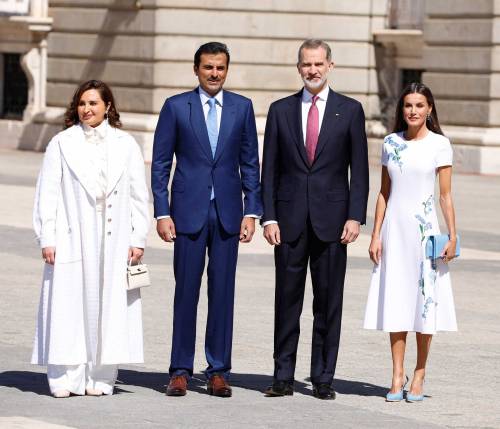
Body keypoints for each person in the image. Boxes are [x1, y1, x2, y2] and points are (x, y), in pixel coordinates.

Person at [151, 42, 262, 398]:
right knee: (186, 291)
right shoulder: (175, 107)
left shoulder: (241, 108)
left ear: (227, 70)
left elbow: (250, 163)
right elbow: (160, 164)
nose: (214, 73)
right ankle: (180, 370)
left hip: (228, 213)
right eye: (208, 67)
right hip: (187, 212)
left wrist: (252, 211)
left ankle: (218, 370)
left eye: (220, 68)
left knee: (222, 293)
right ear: (196, 69)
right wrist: (162, 211)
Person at [261, 39, 369, 400]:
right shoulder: (280, 110)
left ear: (330, 66)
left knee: (328, 302)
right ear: (298, 68)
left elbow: (361, 170)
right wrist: (269, 217)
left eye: (318, 64)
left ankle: (323, 377)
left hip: (333, 222)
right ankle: (283, 375)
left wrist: (355, 216)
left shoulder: (350, 110)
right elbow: (269, 171)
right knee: (286, 301)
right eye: (306, 64)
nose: (312, 70)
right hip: (289, 222)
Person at [32, 80, 150, 398]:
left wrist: (138, 237)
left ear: (108, 106)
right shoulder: (61, 143)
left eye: (94, 103)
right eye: (82, 103)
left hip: (113, 237)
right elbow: (48, 193)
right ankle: (65, 376)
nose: (87, 109)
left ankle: (100, 376)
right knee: (68, 303)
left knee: (109, 306)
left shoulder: (126, 145)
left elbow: (141, 197)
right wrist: (47, 236)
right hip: (72, 233)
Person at [363, 82, 458, 402]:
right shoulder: (390, 143)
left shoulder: (440, 144)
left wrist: (453, 235)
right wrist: (375, 235)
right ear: (401, 110)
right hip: (394, 233)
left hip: (425, 234)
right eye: (408, 106)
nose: (413, 111)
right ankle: (396, 373)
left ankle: (419, 373)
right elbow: (383, 193)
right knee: (397, 302)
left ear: (430, 109)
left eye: (419, 105)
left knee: (424, 305)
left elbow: (445, 195)